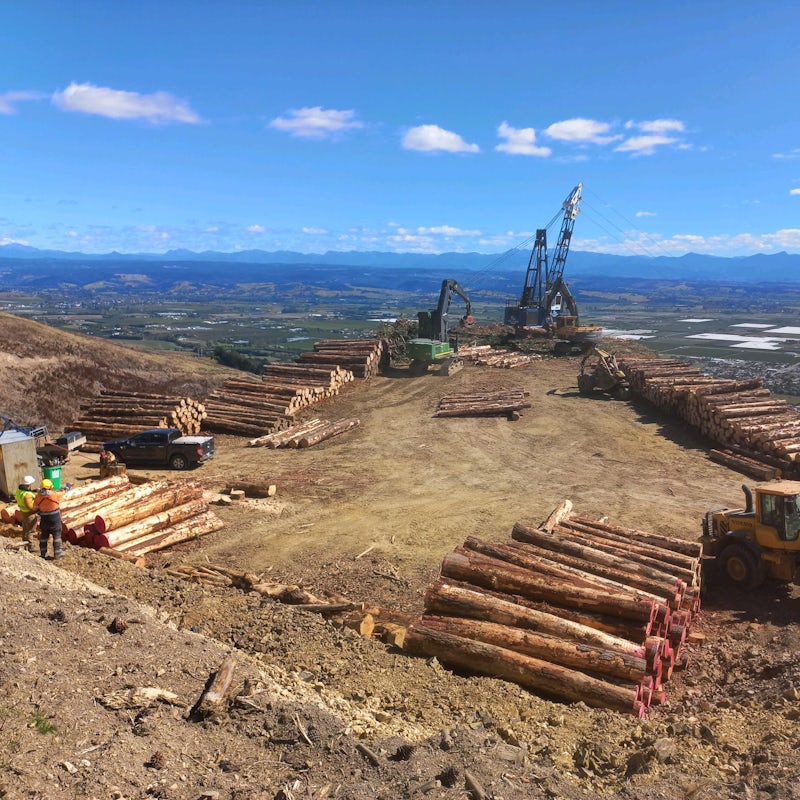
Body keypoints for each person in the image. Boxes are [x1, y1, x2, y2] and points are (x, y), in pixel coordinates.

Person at [32, 478, 68, 559]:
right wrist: (67, 487)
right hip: (55, 518)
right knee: (56, 535)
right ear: (50, 487)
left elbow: (34, 508)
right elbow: (63, 492)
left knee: (44, 536)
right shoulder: (54, 494)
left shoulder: (38, 497)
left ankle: (42, 554)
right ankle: (57, 553)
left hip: (44, 519)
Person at [14, 475, 38, 552]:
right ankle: (30, 546)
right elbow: (30, 507)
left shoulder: (19, 491)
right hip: (29, 514)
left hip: (23, 512)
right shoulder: (27, 495)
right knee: (30, 531)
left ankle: (24, 544)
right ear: (28, 484)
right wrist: (38, 509)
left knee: (25, 529)